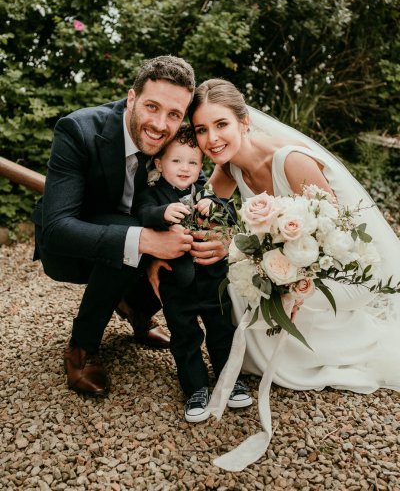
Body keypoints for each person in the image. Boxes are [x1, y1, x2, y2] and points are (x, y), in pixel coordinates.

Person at [184, 78, 400, 394]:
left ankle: (329, 344)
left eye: (221, 124)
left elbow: (336, 235)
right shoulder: (231, 166)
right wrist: (216, 239)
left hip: (342, 270)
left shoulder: (290, 160)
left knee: (249, 287)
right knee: (234, 279)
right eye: (201, 129)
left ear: (243, 122)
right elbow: (202, 215)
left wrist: (297, 282)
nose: (212, 139)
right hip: (289, 264)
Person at [31, 55, 223, 397]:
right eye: (152, 106)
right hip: (72, 248)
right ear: (131, 98)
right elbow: (56, 227)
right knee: (131, 235)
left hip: (136, 232)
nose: (161, 125)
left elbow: (196, 188)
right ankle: (81, 347)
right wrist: (145, 242)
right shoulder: (78, 130)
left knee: (184, 243)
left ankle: (137, 310)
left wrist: (215, 237)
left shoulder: (175, 138)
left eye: (174, 115)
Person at [133, 125, 252, 422]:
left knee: (223, 330)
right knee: (184, 337)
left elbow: (229, 212)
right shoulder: (153, 194)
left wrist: (214, 203)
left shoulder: (205, 191)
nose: (185, 168)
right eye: (176, 161)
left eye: (192, 162)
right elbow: (141, 213)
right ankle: (195, 387)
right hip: (177, 286)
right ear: (160, 164)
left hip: (213, 281)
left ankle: (230, 379)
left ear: (201, 166)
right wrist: (162, 214)